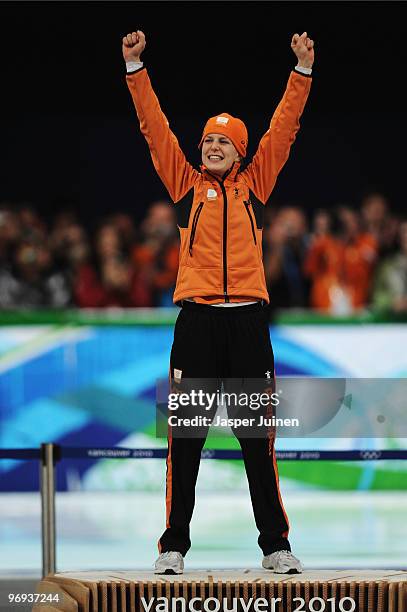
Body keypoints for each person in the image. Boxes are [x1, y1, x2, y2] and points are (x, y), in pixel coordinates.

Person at [122, 28, 314, 574]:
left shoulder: (256, 184)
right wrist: (136, 69)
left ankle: (275, 545)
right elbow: (154, 130)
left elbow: (284, 129)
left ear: (242, 152)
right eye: (207, 140)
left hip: (249, 326)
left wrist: (301, 72)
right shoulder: (184, 187)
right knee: (186, 444)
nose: (212, 147)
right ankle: (173, 548)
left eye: (223, 142)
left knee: (258, 441)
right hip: (197, 326)